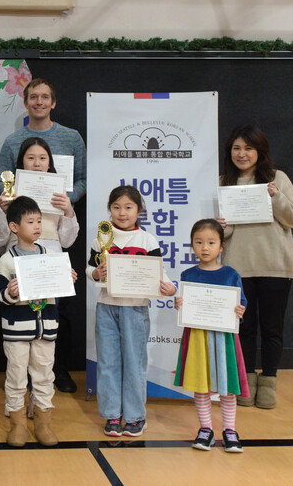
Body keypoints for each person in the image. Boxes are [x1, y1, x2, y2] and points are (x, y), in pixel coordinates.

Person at [0, 80, 87, 393]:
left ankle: (49, 378)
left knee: (51, 318)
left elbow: (70, 237)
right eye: (33, 96)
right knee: (19, 316)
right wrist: (5, 205)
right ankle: (20, 387)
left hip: (50, 258)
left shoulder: (70, 141)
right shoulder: (12, 147)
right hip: (19, 258)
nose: (36, 163)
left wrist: (69, 205)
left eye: (45, 96)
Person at [215, 126, 293, 409]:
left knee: (272, 329)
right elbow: (222, 236)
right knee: (243, 328)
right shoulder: (223, 182)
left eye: (248, 148)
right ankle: (246, 381)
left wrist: (275, 196)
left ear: (259, 151)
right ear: (229, 152)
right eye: (236, 148)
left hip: (275, 266)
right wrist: (222, 227)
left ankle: (269, 381)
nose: (242, 154)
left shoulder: (278, 178)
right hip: (238, 267)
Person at [88, 185, 176, 438]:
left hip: (135, 309)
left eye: (128, 207)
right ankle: (112, 415)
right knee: (107, 363)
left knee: (135, 363)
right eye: (116, 207)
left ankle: (136, 417)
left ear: (139, 210)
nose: (122, 213)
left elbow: (159, 273)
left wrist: (169, 288)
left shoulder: (148, 240)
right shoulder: (101, 239)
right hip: (107, 306)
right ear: (110, 210)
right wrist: (96, 272)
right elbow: (89, 269)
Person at [0, 196, 78, 447]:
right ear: (14, 227)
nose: (37, 226)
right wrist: (11, 292)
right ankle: (18, 425)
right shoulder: (6, 260)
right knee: (16, 376)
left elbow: (57, 291)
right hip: (17, 331)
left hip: (47, 329)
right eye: (30, 221)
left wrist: (67, 279)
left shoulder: (51, 256)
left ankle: (43, 423)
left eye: (39, 221)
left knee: (44, 375)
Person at [173, 219, 249, 453]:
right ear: (192, 245)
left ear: (221, 246)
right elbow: (186, 305)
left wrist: (240, 309)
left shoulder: (230, 274)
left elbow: (241, 302)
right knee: (201, 384)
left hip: (224, 338)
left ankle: (230, 430)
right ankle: (205, 428)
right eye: (199, 242)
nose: (205, 247)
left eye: (211, 242)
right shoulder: (188, 274)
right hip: (197, 338)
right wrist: (180, 303)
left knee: (226, 386)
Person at [0, 78, 86, 203]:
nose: (39, 102)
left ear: (53, 103)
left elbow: (83, 180)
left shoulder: (72, 138)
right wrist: (16, 196)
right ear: (25, 103)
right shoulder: (12, 141)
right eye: (34, 97)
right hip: (22, 215)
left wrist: (67, 198)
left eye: (45, 97)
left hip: (60, 214)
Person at [0, 137, 79, 253]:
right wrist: (5, 213)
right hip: (18, 255)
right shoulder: (10, 193)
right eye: (31, 158)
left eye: (42, 158)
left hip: (51, 256)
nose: (37, 164)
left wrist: (68, 211)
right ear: (22, 162)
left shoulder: (60, 194)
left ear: (49, 163)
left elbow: (67, 242)